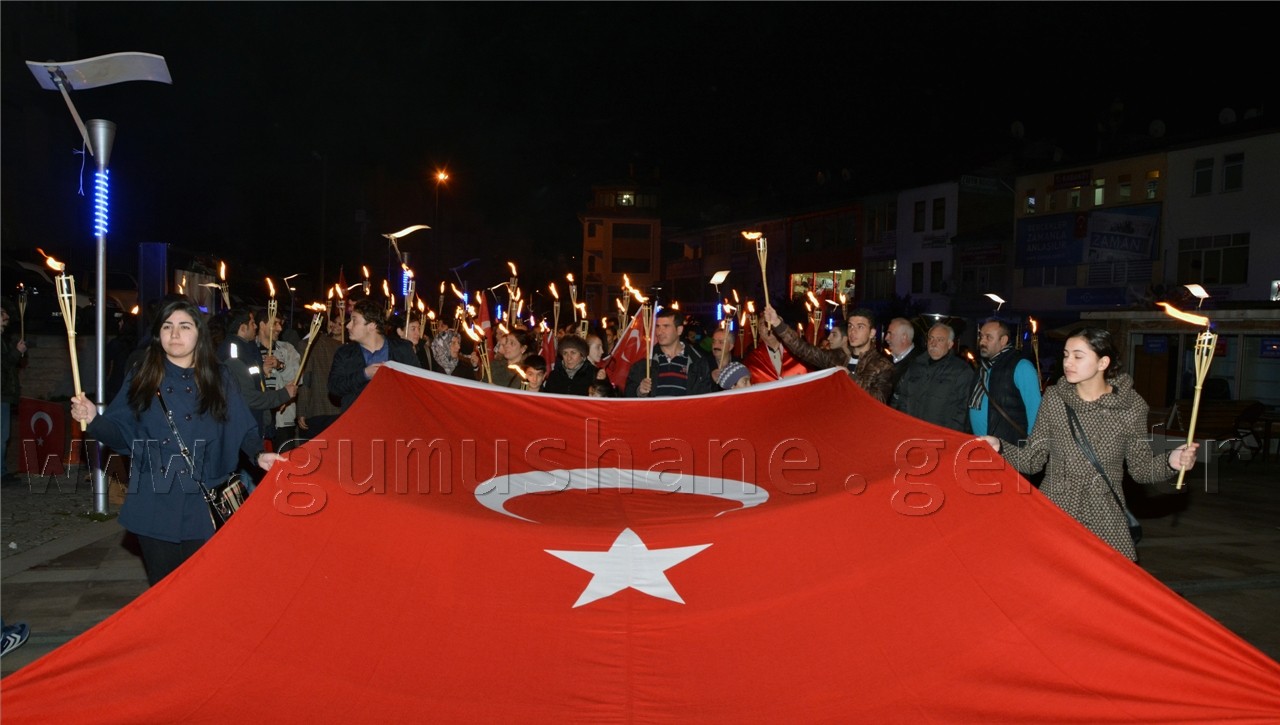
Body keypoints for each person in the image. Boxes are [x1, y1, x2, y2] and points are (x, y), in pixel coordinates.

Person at [69, 299, 282, 585]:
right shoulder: (143, 375)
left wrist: (258, 454)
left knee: (203, 587)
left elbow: (242, 425)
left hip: (204, 501)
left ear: (199, 333)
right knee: (165, 588)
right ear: (158, 334)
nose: (175, 334)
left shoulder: (219, 376)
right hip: (156, 501)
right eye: (167, 327)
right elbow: (120, 433)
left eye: (184, 326)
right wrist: (94, 418)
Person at [979, 327, 1199, 561]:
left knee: (1108, 579)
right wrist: (1000, 447)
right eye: (1066, 355)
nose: (1068, 362)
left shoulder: (1131, 407)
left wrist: (1171, 462)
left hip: (1104, 515)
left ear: (1103, 362)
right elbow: (1033, 459)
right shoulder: (1054, 399)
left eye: (1078, 356)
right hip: (1056, 509)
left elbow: (1141, 469)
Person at [763, 304, 894, 403]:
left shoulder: (882, 365)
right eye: (850, 326)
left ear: (872, 333)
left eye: (860, 327)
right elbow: (804, 350)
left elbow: (879, 399)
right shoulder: (837, 357)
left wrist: (849, 377)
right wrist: (777, 323)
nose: (853, 332)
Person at [216, 308, 297, 445]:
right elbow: (248, 397)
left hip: (251, 424)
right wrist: (283, 394)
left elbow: (255, 384)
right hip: (240, 429)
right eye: (252, 323)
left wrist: (263, 374)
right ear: (243, 328)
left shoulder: (247, 349)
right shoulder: (234, 355)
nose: (255, 326)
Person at [329, 299, 421, 413]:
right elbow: (334, 388)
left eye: (354, 321)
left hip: (395, 417)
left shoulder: (402, 349)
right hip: (358, 418)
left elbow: (418, 383)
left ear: (372, 325)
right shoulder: (345, 353)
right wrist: (364, 374)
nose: (348, 325)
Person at [891, 322, 974, 432]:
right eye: (931, 338)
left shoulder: (961, 371)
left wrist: (949, 435)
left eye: (940, 340)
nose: (933, 344)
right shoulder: (915, 365)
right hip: (911, 431)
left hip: (940, 436)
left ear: (950, 344)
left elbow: (963, 411)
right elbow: (902, 397)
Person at [969, 318, 1041, 443]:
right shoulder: (983, 367)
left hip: (1008, 447)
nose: (982, 341)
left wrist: (1032, 447)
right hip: (980, 445)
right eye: (981, 336)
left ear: (1003, 340)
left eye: (988, 337)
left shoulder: (1021, 366)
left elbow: (1036, 412)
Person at [624, 308, 718, 397]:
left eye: (666, 326)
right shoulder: (645, 362)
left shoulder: (697, 361)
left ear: (679, 330)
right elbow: (628, 396)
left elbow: (705, 398)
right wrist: (639, 391)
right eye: (657, 326)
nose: (659, 332)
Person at [254, 311, 301, 452]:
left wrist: (281, 366)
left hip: (282, 417)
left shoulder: (287, 349)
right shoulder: (250, 349)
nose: (280, 328)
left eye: (281, 324)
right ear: (262, 325)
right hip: (258, 416)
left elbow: (298, 378)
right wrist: (262, 372)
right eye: (275, 323)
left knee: (284, 458)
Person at [296, 316, 344, 441]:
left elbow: (306, 379)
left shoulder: (306, 345)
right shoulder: (338, 345)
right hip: (336, 408)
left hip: (315, 408)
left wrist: (301, 410)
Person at [1, 300, 29, 485]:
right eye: (1, 313)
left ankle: (2, 470)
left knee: (3, 435)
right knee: (1, 435)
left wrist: (19, 353)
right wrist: (16, 352)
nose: (6, 317)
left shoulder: (3, 340)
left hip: (4, 394)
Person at [742, 315, 810, 385]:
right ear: (759, 331)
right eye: (763, 324)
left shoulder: (797, 352)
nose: (768, 327)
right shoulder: (752, 360)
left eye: (771, 322)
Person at [886, 317, 924, 392]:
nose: (886, 338)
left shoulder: (919, 364)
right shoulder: (886, 360)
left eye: (890, 333)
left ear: (904, 337)